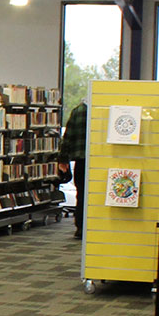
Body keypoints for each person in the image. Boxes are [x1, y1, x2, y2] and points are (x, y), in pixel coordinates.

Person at [58, 101, 87, 238]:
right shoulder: (106, 108)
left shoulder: (78, 111)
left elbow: (68, 137)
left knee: (81, 194)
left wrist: (63, 158)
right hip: (101, 161)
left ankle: (80, 227)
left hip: (82, 160)